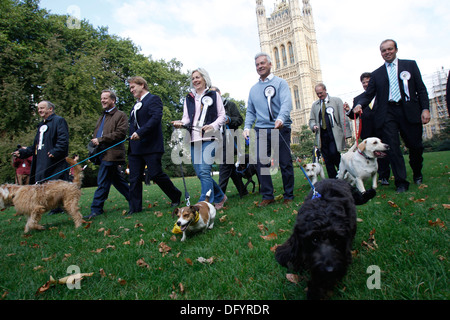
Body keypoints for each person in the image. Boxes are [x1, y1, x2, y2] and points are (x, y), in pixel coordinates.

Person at [353, 39, 430, 193]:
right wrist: (360, 104)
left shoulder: (410, 65)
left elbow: (421, 89)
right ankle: (401, 182)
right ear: (380, 53)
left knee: (415, 146)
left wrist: (425, 109)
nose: (387, 52)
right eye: (383, 50)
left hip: (409, 110)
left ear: (396, 50)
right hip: (387, 113)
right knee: (393, 149)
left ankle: (417, 172)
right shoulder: (376, 74)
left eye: (389, 49)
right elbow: (369, 94)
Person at [243, 53, 294, 207]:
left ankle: (288, 195)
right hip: (261, 130)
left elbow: (286, 103)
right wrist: (246, 127)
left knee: (285, 163)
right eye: (257, 64)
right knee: (260, 162)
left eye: (263, 63)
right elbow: (250, 111)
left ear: (270, 64)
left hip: (280, 127)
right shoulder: (253, 90)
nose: (260, 66)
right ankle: (267, 195)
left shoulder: (281, 83)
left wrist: (281, 118)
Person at [172, 68, 227, 209]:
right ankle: (220, 196)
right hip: (193, 138)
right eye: (193, 78)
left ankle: (204, 204)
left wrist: (213, 125)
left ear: (204, 78)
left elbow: (222, 115)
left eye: (198, 77)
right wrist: (180, 123)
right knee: (200, 173)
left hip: (210, 137)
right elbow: (186, 118)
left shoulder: (214, 95)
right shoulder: (189, 97)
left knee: (204, 171)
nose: (195, 80)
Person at [127, 76, 182, 215]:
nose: (131, 90)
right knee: (134, 178)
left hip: (151, 146)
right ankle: (135, 208)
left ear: (142, 85)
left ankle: (175, 195)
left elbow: (155, 118)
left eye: (133, 87)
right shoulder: (135, 105)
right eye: (130, 88)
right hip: (135, 147)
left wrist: (141, 132)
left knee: (156, 174)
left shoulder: (154, 99)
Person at [84, 90, 130, 220]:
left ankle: (96, 209)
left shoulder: (120, 115)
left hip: (112, 154)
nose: (102, 101)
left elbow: (120, 134)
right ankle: (134, 200)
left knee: (102, 181)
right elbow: (97, 134)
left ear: (113, 100)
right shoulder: (102, 116)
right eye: (101, 98)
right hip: (101, 153)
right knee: (118, 181)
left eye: (105, 98)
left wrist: (101, 139)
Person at [345, 72, 391, 185]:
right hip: (367, 131)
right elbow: (353, 116)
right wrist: (348, 110)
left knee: (381, 153)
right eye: (363, 82)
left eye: (368, 82)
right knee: (369, 155)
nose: (366, 84)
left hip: (381, 128)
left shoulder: (382, 94)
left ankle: (383, 176)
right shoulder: (358, 99)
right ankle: (366, 174)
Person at [14, 100, 70, 184]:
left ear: (50, 109)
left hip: (53, 163)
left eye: (42, 108)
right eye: (38, 109)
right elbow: (37, 146)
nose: (39, 110)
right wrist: (22, 152)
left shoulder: (59, 121)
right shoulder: (41, 125)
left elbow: (63, 140)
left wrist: (55, 151)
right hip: (40, 163)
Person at [210, 86, 247, 198]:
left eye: (214, 93)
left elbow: (239, 120)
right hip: (217, 143)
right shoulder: (210, 110)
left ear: (219, 93)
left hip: (230, 142)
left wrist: (229, 120)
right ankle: (243, 191)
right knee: (230, 169)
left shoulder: (230, 105)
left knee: (224, 168)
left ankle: (219, 196)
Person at [309, 83, 351, 179]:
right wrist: (313, 126)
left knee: (334, 154)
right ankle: (333, 180)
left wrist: (347, 133)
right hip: (322, 136)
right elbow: (311, 120)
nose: (319, 95)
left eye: (321, 93)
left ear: (325, 90)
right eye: (317, 94)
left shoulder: (336, 101)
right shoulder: (315, 105)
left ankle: (344, 174)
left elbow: (343, 118)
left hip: (334, 134)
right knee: (327, 159)